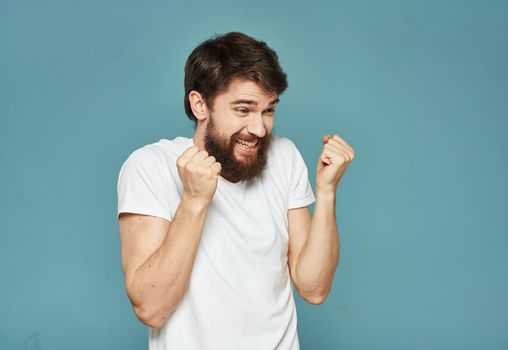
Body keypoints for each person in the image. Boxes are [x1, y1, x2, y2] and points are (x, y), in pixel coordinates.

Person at [116, 31, 355, 350]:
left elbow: (314, 288)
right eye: (243, 110)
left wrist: (326, 192)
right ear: (200, 104)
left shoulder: (284, 156)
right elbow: (151, 308)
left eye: (268, 110)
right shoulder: (149, 167)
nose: (259, 129)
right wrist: (194, 202)